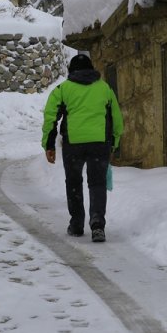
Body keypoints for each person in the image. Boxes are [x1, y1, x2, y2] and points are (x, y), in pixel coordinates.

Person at [41, 53, 123, 243]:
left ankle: (77, 224)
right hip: (99, 143)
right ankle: (97, 225)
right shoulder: (104, 88)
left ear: (71, 70)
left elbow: (50, 117)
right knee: (97, 183)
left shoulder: (63, 89)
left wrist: (49, 144)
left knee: (73, 182)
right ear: (92, 69)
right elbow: (117, 118)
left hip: (73, 144)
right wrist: (114, 142)